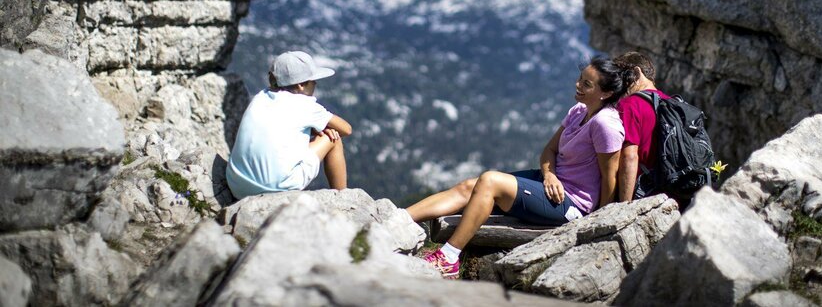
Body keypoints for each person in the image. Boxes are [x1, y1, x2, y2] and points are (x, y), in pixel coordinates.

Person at [407, 56, 625, 278]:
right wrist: (549, 175)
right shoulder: (579, 110)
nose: (578, 85)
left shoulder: (605, 125)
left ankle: (448, 258)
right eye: (580, 78)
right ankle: (397, 219)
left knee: (489, 182)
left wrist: (598, 223)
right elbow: (549, 151)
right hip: (550, 184)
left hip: (570, 205)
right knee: (469, 186)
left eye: (587, 84)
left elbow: (610, 178)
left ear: (605, 93)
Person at [226, 51, 353, 200]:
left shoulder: (260, 97)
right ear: (300, 85)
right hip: (275, 190)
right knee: (334, 137)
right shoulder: (305, 105)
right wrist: (323, 129)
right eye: (312, 80)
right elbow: (346, 129)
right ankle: (342, 199)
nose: (316, 83)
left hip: (237, 185)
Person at [613, 51, 668, 202]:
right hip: (673, 192)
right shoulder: (673, 103)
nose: (620, 86)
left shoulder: (630, 105)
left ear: (637, 73)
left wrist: (624, 206)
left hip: (644, 193)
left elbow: (629, 157)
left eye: (622, 77)